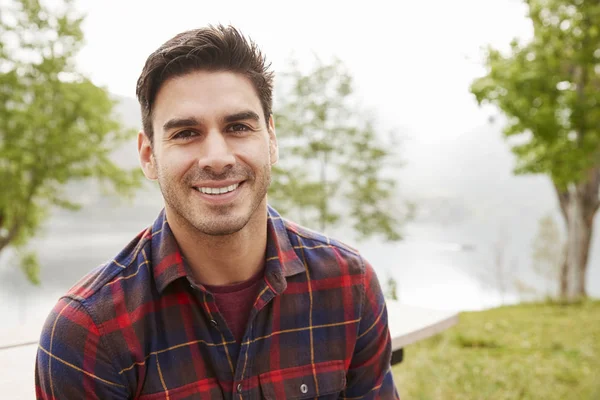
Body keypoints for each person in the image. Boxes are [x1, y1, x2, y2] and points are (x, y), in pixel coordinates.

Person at [35, 25, 400, 399]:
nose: (217, 158)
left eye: (238, 127)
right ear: (148, 156)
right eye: (186, 133)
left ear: (271, 140)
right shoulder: (89, 332)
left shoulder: (348, 285)